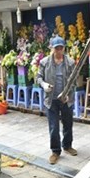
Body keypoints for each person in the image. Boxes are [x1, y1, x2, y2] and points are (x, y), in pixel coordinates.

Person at [36, 36, 77, 165]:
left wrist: (67, 94)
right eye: (56, 48)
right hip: (51, 100)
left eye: (61, 48)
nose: (59, 51)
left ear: (64, 48)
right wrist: (44, 85)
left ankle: (67, 145)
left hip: (66, 99)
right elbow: (38, 77)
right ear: (51, 49)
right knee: (53, 126)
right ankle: (55, 151)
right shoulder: (44, 62)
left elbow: (74, 81)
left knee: (68, 123)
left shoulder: (70, 62)